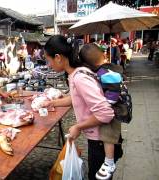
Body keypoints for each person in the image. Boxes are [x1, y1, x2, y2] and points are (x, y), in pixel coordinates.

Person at [41, 35, 122, 180]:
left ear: (58, 57)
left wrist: (78, 127)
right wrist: (52, 103)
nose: (49, 65)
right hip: (98, 140)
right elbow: (77, 99)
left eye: (48, 60)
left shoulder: (80, 78)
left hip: (101, 142)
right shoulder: (76, 73)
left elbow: (105, 113)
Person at [79, 43, 123, 180]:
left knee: (107, 134)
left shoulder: (105, 72)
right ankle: (109, 161)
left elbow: (115, 85)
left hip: (115, 108)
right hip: (114, 107)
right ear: (104, 55)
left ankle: (109, 163)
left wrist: (108, 103)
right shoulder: (102, 71)